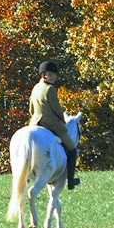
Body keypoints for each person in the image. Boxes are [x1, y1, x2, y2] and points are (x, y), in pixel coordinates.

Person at [29, 60, 79, 190]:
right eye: (50, 74)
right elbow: (57, 109)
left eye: (54, 74)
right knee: (72, 149)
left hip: (35, 123)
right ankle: (71, 180)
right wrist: (62, 121)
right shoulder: (50, 89)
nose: (53, 77)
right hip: (51, 125)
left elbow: (31, 109)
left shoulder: (35, 88)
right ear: (43, 75)